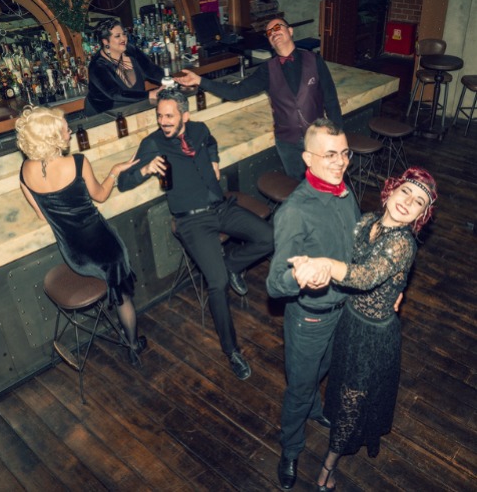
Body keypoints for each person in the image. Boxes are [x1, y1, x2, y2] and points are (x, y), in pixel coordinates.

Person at [291, 167, 437, 491]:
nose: (408, 201)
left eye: (418, 202)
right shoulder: (367, 221)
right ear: (391, 191)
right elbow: (343, 248)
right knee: (339, 384)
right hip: (349, 320)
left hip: (373, 336)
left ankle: (328, 465)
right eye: (405, 191)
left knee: (352, 400)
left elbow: (365, 276)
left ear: (421, 216)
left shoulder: (403, 244)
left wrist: (326, 266)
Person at [117, 88, 273, 380]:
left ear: (184, 116)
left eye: (169, 116)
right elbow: (123, 182)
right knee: (217, 283)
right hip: (191, 221)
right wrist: (145, 169)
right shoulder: (152, 143)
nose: (163, 121)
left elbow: (211, 142)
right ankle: (232, 351)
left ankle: (231, 265)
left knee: (268, 237)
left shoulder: (199, 130)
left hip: (220, 207)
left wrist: (214, 160)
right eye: (159, 116)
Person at [266, 118, 360, 490]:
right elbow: (275, 283)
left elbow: (352, 243)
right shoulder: (295, 211)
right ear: (308, 158)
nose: (340, 163)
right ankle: (290, 448)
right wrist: (299, 277)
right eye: (330, 155)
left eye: (345, 153)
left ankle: (315, 410)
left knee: (325, 369)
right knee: (300, 387)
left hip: (344, 309)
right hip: (311, 319)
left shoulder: (344, 191)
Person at [16, 106, 146, 365]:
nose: (70, 132)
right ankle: (133, 346)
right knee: (124, 297)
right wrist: (114, 171)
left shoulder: (24, 172)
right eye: (65, 129)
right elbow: (101, 195)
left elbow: (42, 215)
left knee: (115, 288)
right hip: (105, 252)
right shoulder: (77, 162)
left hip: (74, 256)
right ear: (52, 137)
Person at [174, 17, 342, 180]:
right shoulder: (267, 70)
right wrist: (200, 80)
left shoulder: (314, 60)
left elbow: (331, 101)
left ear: (290, 31)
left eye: (278, 28)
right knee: (298, 189)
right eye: (269, 32)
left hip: (317, 137)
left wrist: (337, 137)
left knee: (326, 182)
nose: (273, 33)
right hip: (288, 143)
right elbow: (236, 92)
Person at [84, 18, 164, 116]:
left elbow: (151, 70)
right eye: (117, 36)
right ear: (105, 41)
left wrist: (171, 79)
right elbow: (115, 93)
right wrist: (149, 95)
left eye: (124, 34)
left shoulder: (131, 50)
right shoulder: (97, 66)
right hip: (105, 114)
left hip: (135, 108)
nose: (123, 39)